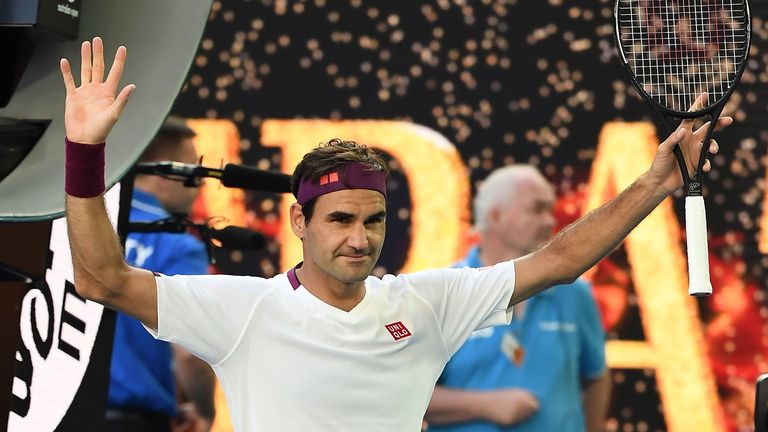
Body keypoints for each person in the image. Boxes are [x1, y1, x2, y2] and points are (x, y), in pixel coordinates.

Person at [59, 37, 728, 431]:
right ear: (300, 222)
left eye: (373, 220)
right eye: (340, 220)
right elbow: (100, 278)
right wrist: (84, 152)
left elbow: (558, 262)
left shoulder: (424, 304)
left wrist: (655, 183)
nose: (359, 238)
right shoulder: (245, 311)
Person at [425, 165, 610, 432]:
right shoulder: (447, 292)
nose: (549, 221)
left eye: (550, 209)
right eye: (537, 209)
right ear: (495, 216)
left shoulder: (575, 292)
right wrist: (486, 405)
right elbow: (404, 393)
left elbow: (596, 375)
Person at [104, 118, 215, 432]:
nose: (202, 185)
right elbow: (191, 351)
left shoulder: (75, 228)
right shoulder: (178, 246)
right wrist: (205, 411)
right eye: (194, 173)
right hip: (134, 422)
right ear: (165, 175)